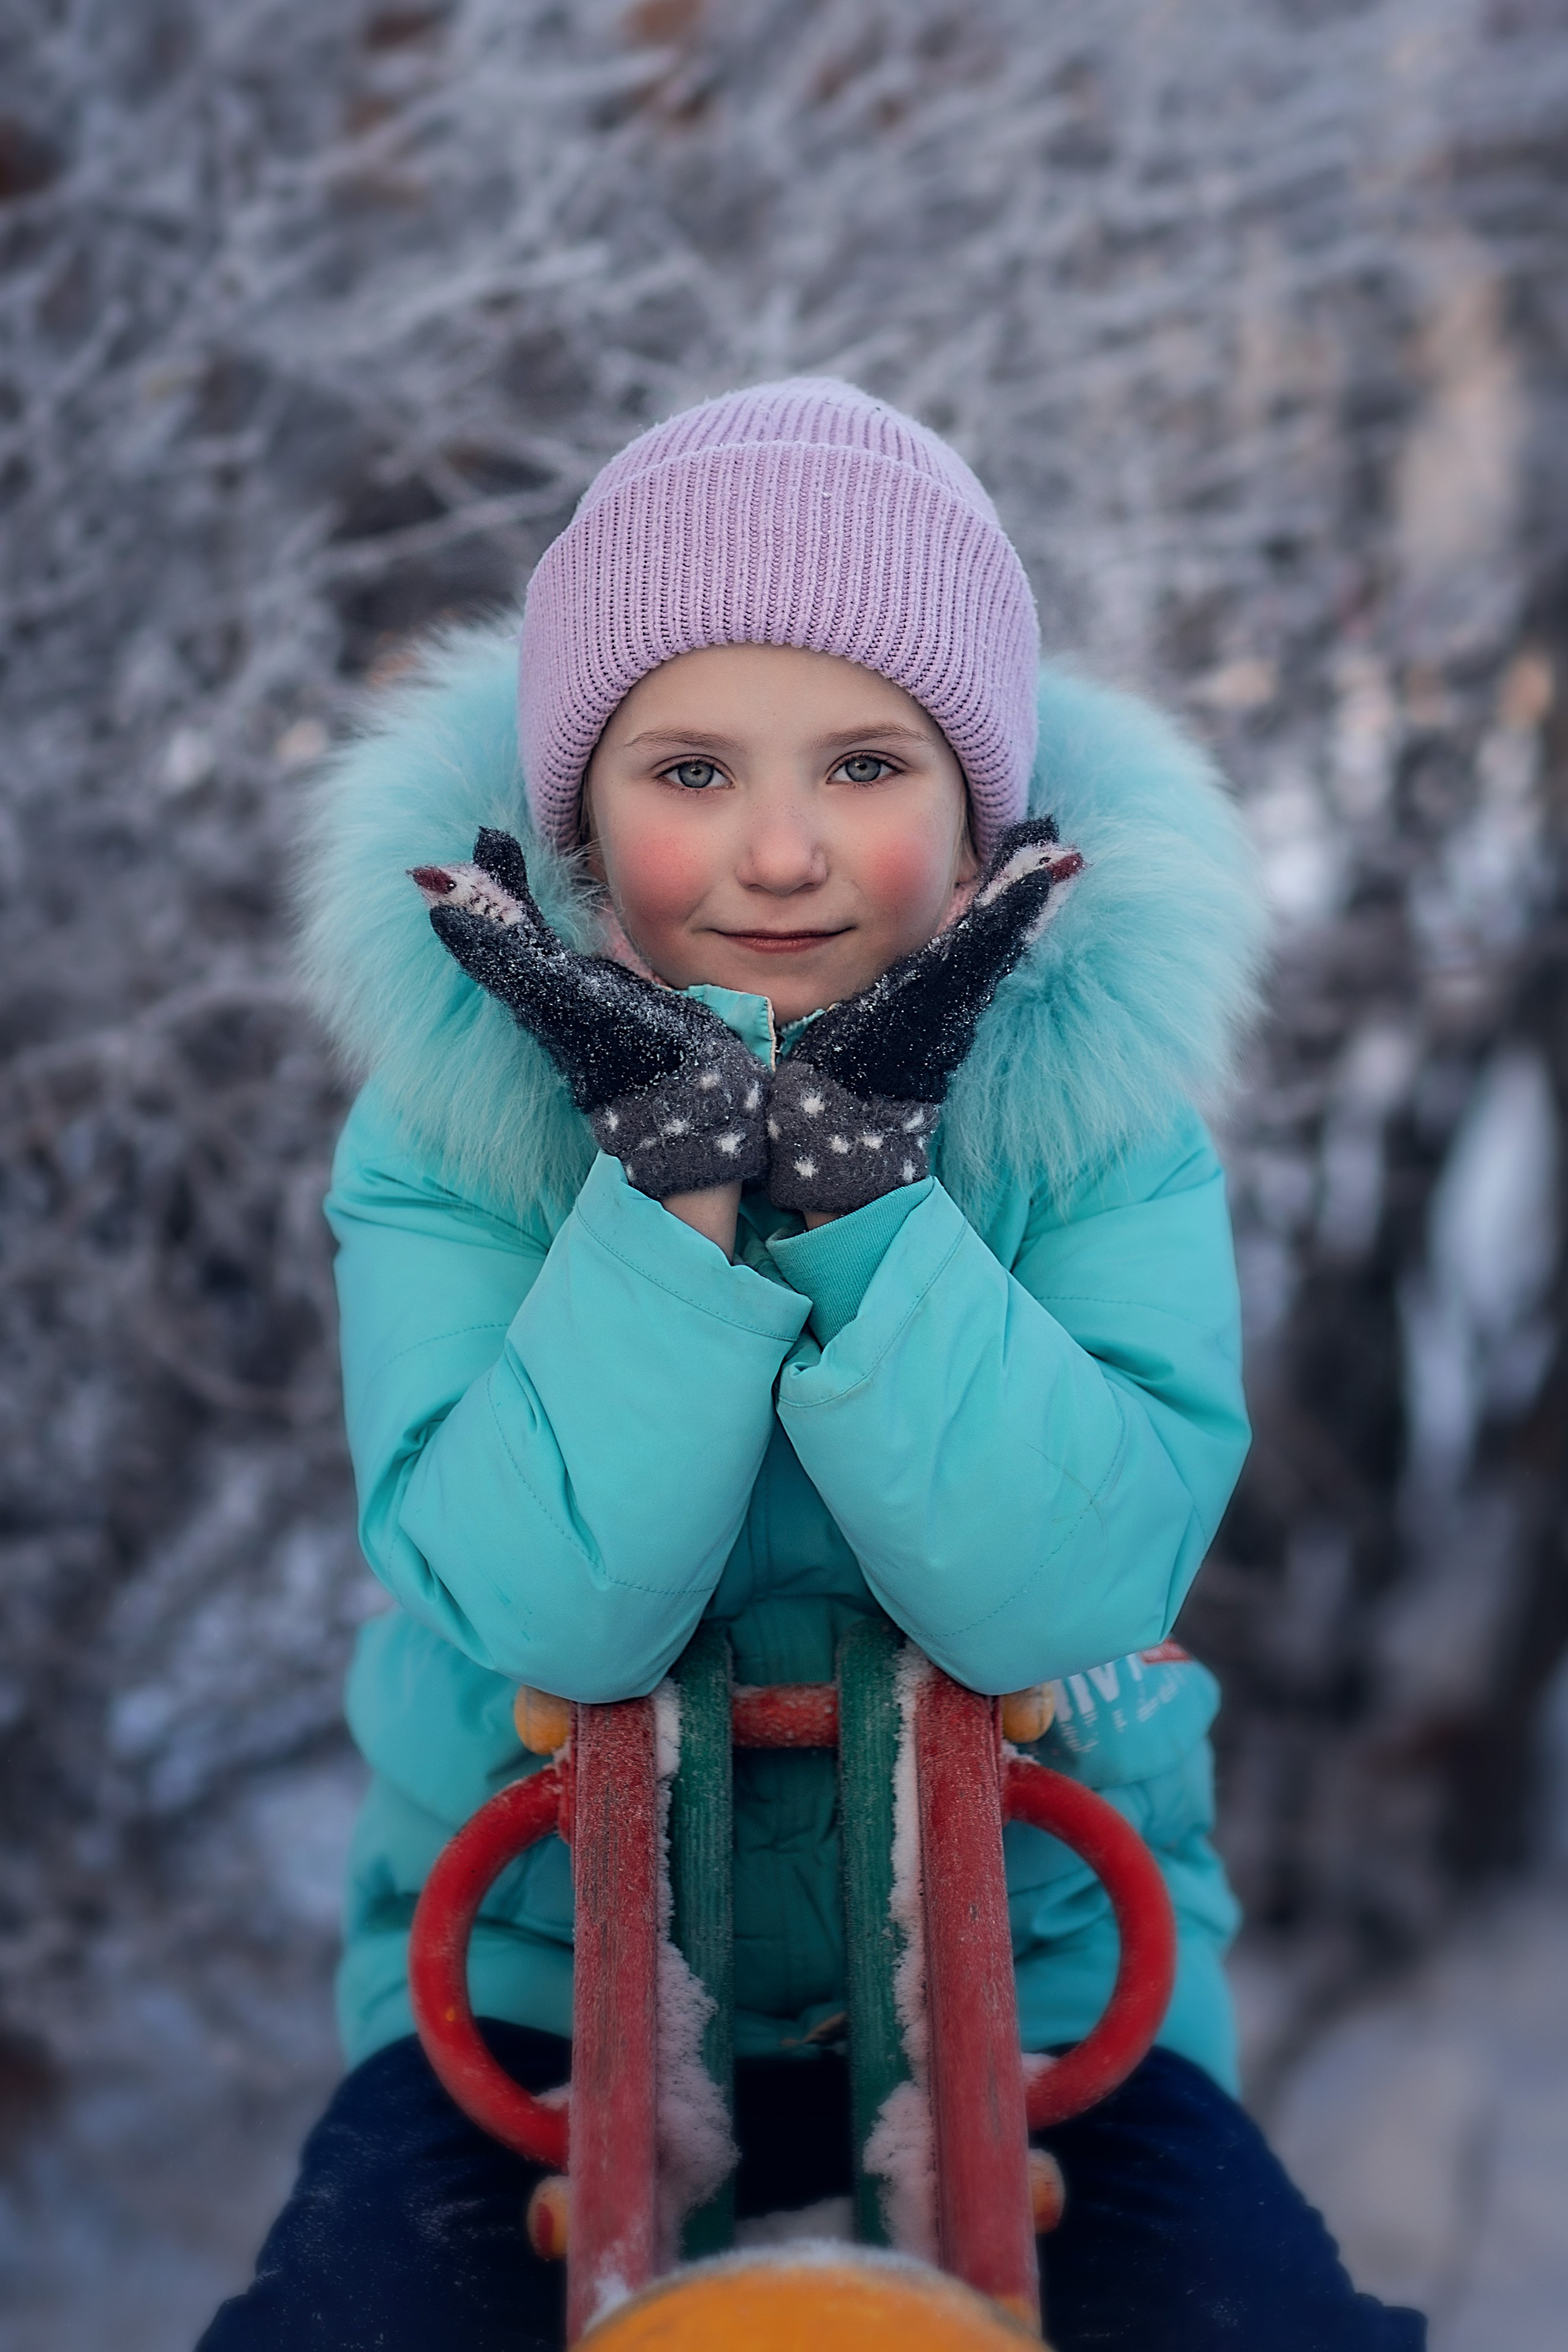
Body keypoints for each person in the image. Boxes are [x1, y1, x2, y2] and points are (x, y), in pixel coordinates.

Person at [197, 380, 1423, 2349]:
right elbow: (546, 1608)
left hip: (1037, 1987)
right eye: (689, 772)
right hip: (532, 1994)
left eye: (864, 763)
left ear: (983, 808)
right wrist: (667, 1192)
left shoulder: (1100, 1123)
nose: (779, 852)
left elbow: (1070, 1585)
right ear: (579, 819)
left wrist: (868, 1208)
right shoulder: (451, 1134)